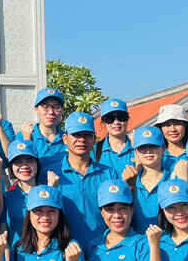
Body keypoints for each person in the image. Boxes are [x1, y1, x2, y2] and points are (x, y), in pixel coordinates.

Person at [52, 112, 116, 250]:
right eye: (76, 135)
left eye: (87, 135)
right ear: (65, 138)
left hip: (103, 249)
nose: (82, 140)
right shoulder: (52, 175)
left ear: (94, 139)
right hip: (65, 250)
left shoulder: (108, 173)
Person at [128, 127, 169, 231]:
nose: (148, 151)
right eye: (142, 147)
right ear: (136, 152)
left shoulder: (173, 179)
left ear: (163, 148)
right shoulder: (130, 182)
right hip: (138, 240)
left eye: (153, 146)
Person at [27, 87, 67, 178]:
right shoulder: (25, 136)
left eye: (56, 107)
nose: (51, 112)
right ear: (36, 109)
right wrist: (27, 140)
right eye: (45, 107)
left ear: (62, 111)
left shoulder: (69, 139)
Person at [95, 99, 133, 173]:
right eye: (110, 118)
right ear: (103, 122)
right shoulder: (94, 150)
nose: (116, 122)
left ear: (127, 119)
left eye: (121, 117)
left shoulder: (138, 149)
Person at [153, 104, 188, 172]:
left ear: (185, 126)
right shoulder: (156, 155)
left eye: (177, 124)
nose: (173, 129)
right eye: (167, 125)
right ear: (160, 129)